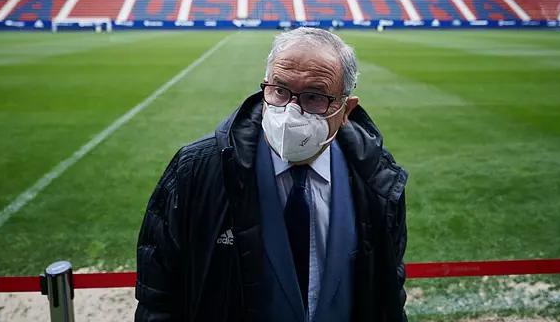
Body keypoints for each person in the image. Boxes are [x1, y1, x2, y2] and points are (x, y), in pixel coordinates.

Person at [135, 27, 408, 322]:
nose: (291, 112)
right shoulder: (197, 171)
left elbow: (389, 296)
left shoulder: (377, 179)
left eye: (314, 97)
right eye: (280, 90)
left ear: (345, 110)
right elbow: (158, 296)